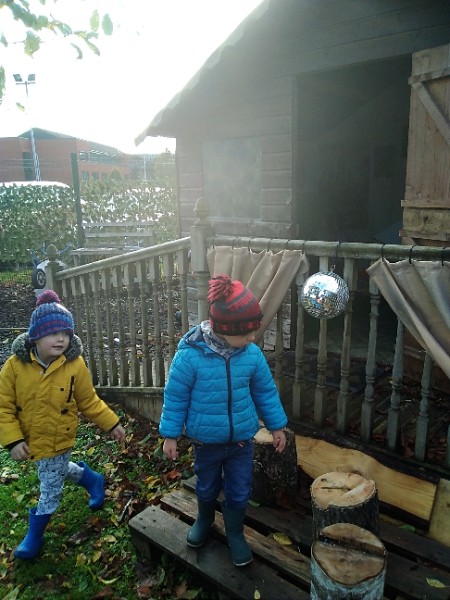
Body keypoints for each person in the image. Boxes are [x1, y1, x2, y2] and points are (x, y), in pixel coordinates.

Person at [160, 274, 287, 567]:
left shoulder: (251, 355)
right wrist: (170, 434)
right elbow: (175, 396)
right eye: (247, 332)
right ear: (224, 329)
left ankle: (235, 533)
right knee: (206, 486)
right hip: (206, 442)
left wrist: (277, 426)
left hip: (242, 441)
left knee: (240, 489)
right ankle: (204, 519)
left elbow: (265, 392)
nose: (252, 338)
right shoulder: (190, 356)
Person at [0, 290, 126, 560]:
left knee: (50, 486)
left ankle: (34, 535)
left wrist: (111, 423)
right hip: (32, 438)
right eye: (53, 333)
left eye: (66, 333)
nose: (61, 339)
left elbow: (88, 400)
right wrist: (13, 439)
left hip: (60, 437)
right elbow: (3, 406)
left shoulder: (74, 364)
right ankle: (92, 479)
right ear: (36, 336)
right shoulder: (14, 366)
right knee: (54, 469)